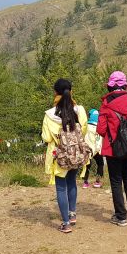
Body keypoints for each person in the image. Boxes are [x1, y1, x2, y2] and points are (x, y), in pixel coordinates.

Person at [97, 71, 127, 227]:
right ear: (125, 85)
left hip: (113, 148)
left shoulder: (106, 104)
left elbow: (101, 129)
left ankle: (120, 216)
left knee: (116, 181)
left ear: (111, 86)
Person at [42, 78, 89, 234]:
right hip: (75, 153)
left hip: (59, 156)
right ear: (71, 91)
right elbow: (83, 130)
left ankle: (66, 223)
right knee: (72, 183)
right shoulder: (79, 110)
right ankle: (72, 214)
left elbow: (47, 138)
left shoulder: (49, 115)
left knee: (61, 188)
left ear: (55, 92)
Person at [82, 108, 105, 189]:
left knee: (87, 164)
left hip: (88, 149)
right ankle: (97, 182)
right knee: (100, 164)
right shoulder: (100, 126)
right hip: (97, 149)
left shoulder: (86, 126)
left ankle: (85, 182)